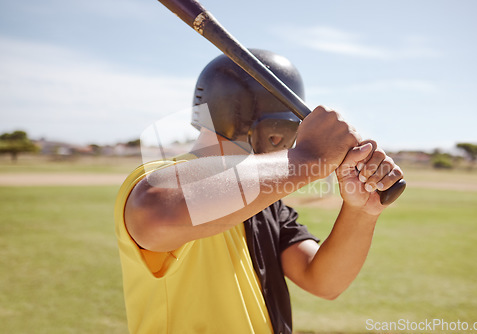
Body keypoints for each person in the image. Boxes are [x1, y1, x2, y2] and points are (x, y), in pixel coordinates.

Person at [114, 49, 404, 334]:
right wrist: (308, 158)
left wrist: (361, 210)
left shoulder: (263, 201)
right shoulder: (159, 179)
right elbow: (158, 215)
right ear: (277, 133)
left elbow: (324, 282)